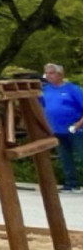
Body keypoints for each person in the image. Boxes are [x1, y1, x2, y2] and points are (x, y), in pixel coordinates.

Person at [40, 63, 83, 192]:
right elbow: (41, 108)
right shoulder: (45, 90)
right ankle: (71, 183)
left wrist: (78, 125)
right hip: (56, 129)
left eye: (51, 73)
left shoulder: (72, 89)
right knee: (64, 157)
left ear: (60, 74)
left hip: (75, 128)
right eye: (46, 73)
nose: (48, 76)